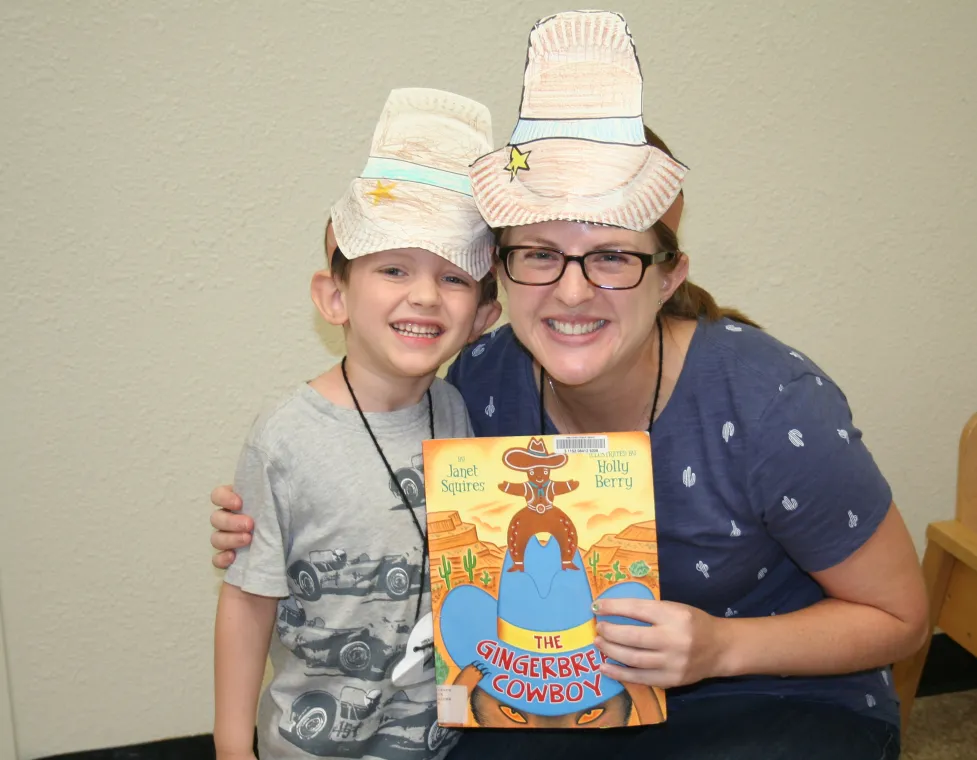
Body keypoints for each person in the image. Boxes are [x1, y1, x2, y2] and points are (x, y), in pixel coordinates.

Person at [210, 11, 927, 760]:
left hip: (775, 692)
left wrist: (719, 648)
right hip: (568, 686)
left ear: (669, 276)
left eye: (613, 257)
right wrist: (269, 517)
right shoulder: (482, 388)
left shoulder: (770, 405)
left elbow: (901, 618)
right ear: (502, 279)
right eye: (542, 255)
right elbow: (399, 485)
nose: (574, 292)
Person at [212, 88, 501, 760]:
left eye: (455, 278)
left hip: (440, 742)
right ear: (334, 296)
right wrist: (232, 747)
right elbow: (247, 604)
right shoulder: (285, 439)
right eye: (394, 268)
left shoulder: (457, 412)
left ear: (485, 315)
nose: (425, 295)